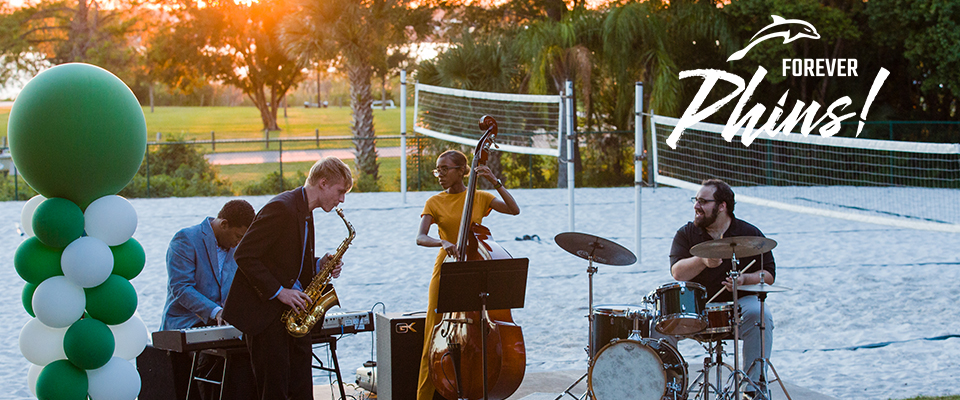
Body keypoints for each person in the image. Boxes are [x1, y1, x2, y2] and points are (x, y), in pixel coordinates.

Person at [223, 157, 352, 400]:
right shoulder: (282, 207)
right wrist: (279, 291)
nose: (342, 199)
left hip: (290, 316)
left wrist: (319, 264)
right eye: (340, 191)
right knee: (274, 392)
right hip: (266, 316)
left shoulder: (305, 210)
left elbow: (286, 263)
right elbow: (244, 254)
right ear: (323, 183)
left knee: (301, 390)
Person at [415, 149, 521, 400]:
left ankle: (471, 387)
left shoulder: (481, 197)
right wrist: (441, 243)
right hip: (446, 269)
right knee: (433, 331)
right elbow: (420, 237)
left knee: (474, 332)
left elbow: (514, 209)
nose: (439, 174)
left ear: (462, 171)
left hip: (474, 267)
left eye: (445, 169)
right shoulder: (434, 201)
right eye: (437, 169)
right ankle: (425, 395)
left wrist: (495, 181)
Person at [669, 178, 775, 397]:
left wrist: (745, 280)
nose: (696, 206)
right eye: (696, 200)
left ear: (722, 206)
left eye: (703, 201)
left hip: (739, 304)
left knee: (760, 314)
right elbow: (677, 272)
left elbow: (769, 274)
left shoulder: (748, 233)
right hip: (695, 306)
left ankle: (752, 389)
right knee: (660, 324)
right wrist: (702, 261)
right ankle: (670, 387)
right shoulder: (686, 234)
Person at [160, 199, 255, 400]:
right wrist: (216, 311)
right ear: (224, 224)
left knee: (255, 351)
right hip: (185, 322)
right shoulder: (186, 239)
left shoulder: (236, 248)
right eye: (238, 236)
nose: (239, 243)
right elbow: (181, 288)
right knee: (215, 362)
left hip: (222, 323)